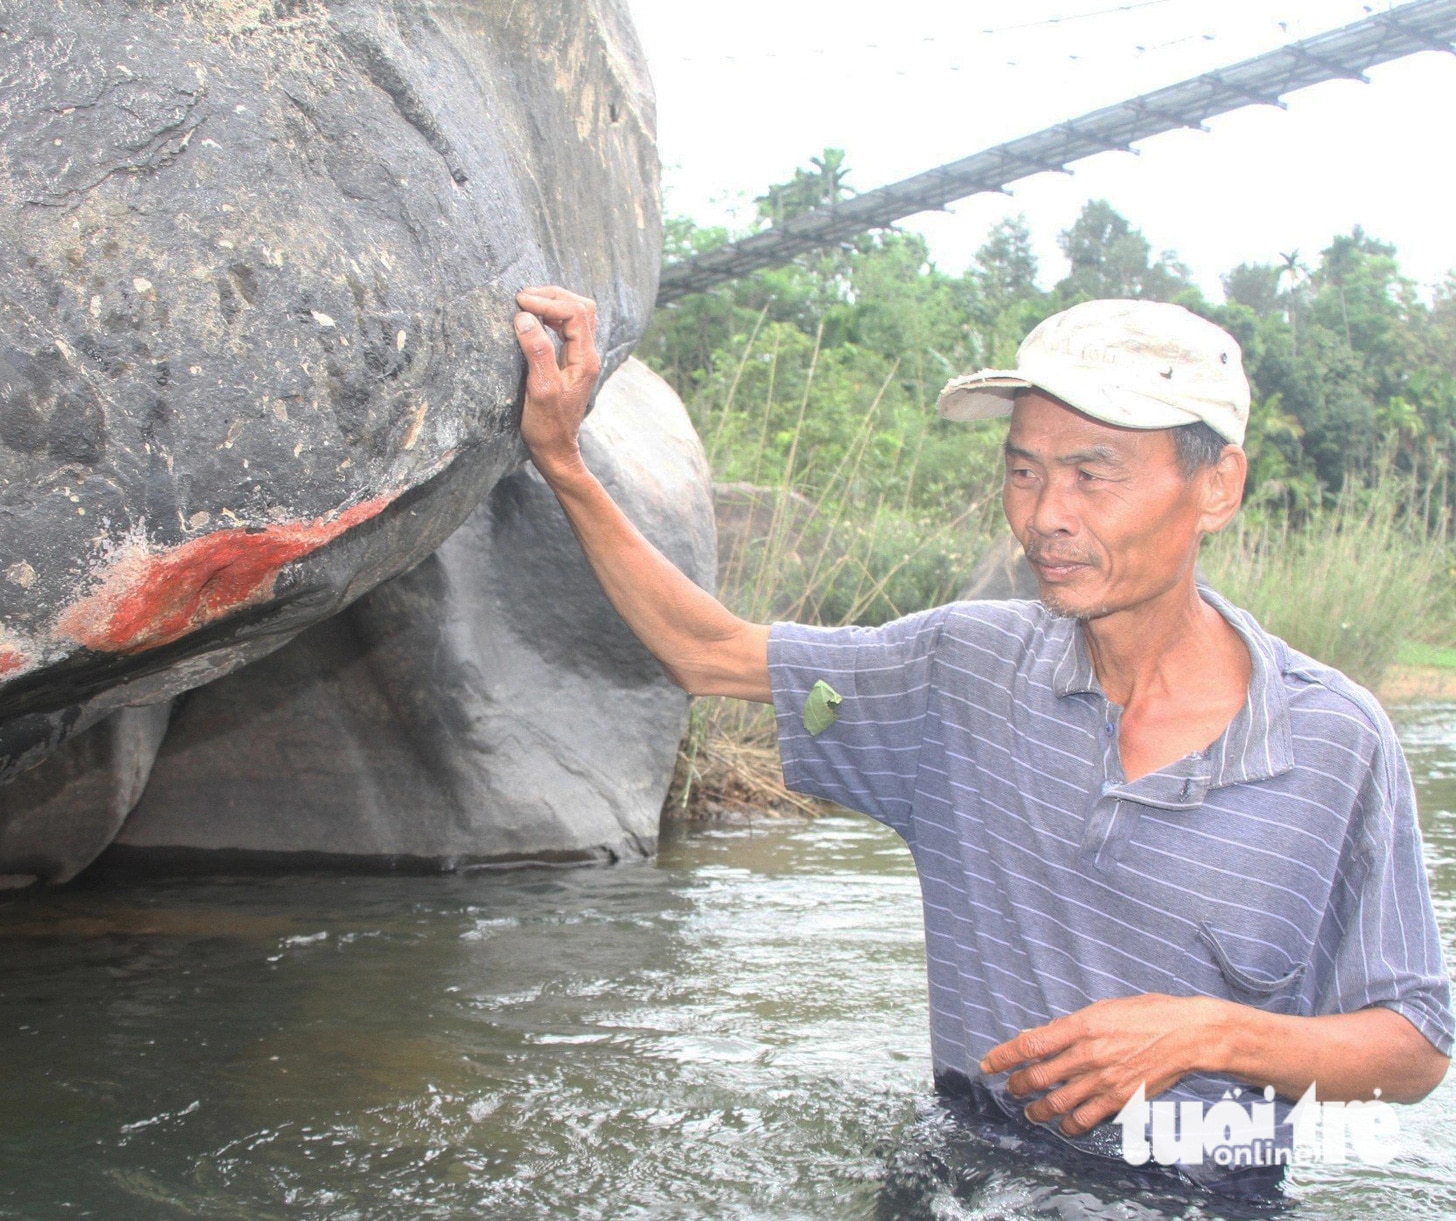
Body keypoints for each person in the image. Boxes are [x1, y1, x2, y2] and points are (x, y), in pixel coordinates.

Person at [510, 286, 1451, 1194]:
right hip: (970, 1174)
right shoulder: (961, 672)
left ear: (1217, 486)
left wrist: (1208, 1035)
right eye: (1023, 469)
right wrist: (564, 459)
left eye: (1093, 473)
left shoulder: (1335, 741)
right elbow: (707, 651)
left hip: (1203, 1197)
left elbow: (1414, 1046)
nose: (1046, 514)